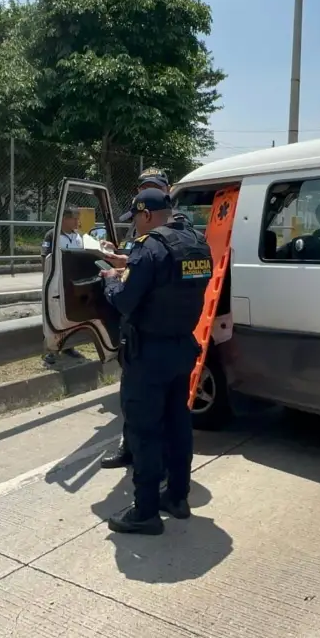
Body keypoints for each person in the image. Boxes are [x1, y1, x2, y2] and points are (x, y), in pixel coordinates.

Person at [99, 187, 212, 535]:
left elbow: (126, 301)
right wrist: (129, 264)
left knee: (145, 431)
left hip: (148, 355)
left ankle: (145, 511)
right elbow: (167, 283)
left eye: (135, 218)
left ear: (145, 214)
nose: (135, 225)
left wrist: (113, 280)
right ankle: (177, 497)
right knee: (178, 425)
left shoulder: (150, 246)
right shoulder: (196, 243)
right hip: (182, 349)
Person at [100, 167, 188, 470]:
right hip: (167, 337)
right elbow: (152, 263)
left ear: (166, 191)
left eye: (151, 187)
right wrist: (125, 259)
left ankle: (146, 500)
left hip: (153, 336)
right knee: (144, 408)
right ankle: (145, 461)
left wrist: (113, 278)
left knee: (149, 414)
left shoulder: (175, 226)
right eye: (141, 187)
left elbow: (147, 271)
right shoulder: (182, 235)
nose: (143, 192)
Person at [41, 208, 90, 365]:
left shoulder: (78, 237)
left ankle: (69, 346)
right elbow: (45, 258)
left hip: (73, 285)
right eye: (74, 219)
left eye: (78, 219)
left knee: (71, 316)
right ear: (63, 219)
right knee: (53, 317)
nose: (77, 222)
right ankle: (51, 351)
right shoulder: (52, 235)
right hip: (56, 284)